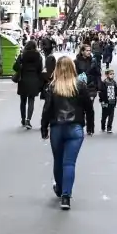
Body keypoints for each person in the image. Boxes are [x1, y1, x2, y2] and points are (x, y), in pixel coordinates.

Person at [41, 57, 94, 209]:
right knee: (69, 163)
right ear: (73, 68)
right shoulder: (80, 85)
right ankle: (66, 196)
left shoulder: (53, 86)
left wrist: (44, 128)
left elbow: (47, 109)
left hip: (57, 128)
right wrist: (90, 127)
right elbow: (89, 108)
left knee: (58, 161)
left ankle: (59, 188)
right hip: (75, 128)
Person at [13, 40, 44, 129]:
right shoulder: (38, 56)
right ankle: (28, 120)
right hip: (34, 80)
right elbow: (40, 69)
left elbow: (15, 67)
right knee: (31, 100)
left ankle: (23, 120)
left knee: (23, 101)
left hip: (23, 79)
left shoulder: (22, 55)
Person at [98, 67, 117, 133]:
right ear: (107, 75)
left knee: (111, 116)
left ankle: (109, 128)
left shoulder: (114, 83)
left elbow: (116, 91)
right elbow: (101, 93)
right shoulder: (104, 83)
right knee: (104, 115)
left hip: (112, 101)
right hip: (106, 102)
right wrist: (102, 101)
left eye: (113, 74)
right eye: (110, 74)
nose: (112, 75)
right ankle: (103, 126)